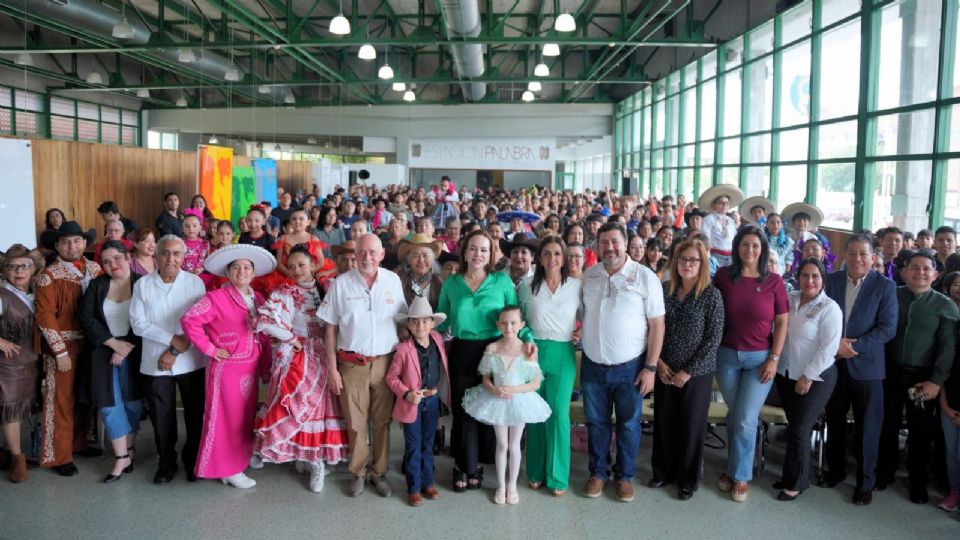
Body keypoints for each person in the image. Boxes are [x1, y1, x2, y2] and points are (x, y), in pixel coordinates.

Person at [436, 230, 535, 493]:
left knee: (492, 408)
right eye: (473, 248)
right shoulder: (451, 283)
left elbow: (514, 317)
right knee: (464, 409)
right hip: (463, 351)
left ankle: (482, 461)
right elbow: (443, 320)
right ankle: (465, 465)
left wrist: (527, 338)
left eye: (484, 249)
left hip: (496, 350)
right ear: (464, 252)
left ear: (491, 254)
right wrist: (421, 331)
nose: (478, 254)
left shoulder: (501, 282)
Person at [580, 222, 665, 502]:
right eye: (603, 242)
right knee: (596, 423)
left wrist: (650, 367)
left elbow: (657, 325)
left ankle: (625, 476)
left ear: (626, 243)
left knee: (629, 424)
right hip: (592, 365)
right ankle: (598, 472)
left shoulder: (644, 277)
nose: (610, 248)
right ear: (596, 246)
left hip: (630, 367)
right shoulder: (589, 276)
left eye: (614, 241)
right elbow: (581, 314)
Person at [254, 244, 349, 493]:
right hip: (301, 357)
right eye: (292, 266)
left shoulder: (326, 286)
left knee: (321, 408)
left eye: (302, 265)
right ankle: (312, 460)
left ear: (313, 265)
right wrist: (291, 338)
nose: (297, 270)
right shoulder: (286, 290)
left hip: (327, 353)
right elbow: (266, 321)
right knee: (301, 408)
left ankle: (312, 459)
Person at [180, 244, 276, 489]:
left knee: (245, 417)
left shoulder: (258, 299)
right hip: (226, 369)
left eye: (246, 267)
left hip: (250, 367)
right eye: (236, 268)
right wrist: (210, 349)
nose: (242, 271)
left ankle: (241, 457)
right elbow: (189, 320)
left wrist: (266, 367)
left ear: (253, 273)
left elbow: (264, 336)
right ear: (228, 273)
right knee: (226, 419)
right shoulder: (216, 297)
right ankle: (227, 468)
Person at [319, 234, 407, 498]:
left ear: (382, 254)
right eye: (361, 252)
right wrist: (332, 369)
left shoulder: (392, 281)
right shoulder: (340, 284)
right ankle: (357, 471)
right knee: (356, 424)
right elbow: (330, 330)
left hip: (386, 364)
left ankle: (379, 472)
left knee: (381, 422)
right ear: (354, 255)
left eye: (372, 252)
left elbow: (403, 323)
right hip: (351, 365)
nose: (366, 257)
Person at [712, 226, 788, 502]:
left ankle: (740, 476)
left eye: (756, 245)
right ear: (737, 247)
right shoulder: (722, 277)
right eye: (745, 245)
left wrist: (774, 358)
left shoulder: (774, 282)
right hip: (727, 356)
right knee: (736, 414)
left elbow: (781, 322)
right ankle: (734, 469)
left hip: (760, 360)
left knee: (745, 418)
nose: (750, 250)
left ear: (763, 249)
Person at [820, 234, 897, 505]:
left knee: (868, 428)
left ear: (872, 257)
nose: (857, 259)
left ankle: (866, 482)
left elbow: (887, 328)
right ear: (845, 257)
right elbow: (821, 316)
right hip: (833, 365)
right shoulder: (831, 281)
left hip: (868, 369)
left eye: (863, 254)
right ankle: (836, 471)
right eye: (852, 253)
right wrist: (834, 345)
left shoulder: (885, 287)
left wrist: (854, 346)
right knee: (835, 422)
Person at [878, 250, 959, 503]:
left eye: (926, 269)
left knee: (919, 431)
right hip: (890, 372)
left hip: (922, 378)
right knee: (887, 425)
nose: (920, 272)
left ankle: (917, 481)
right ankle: (884, 472)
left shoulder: (944, 305)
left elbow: (948, 347)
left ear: (935, 275)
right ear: (904, 271)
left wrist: (936, 380)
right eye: (915, 267)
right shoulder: (892, 294)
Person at [130, 234, 208, 484]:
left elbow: (200, 321)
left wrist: (175, 349)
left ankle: (192, 459)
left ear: (184, 257)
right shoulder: (142, 284)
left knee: (195, 413)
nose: (171, 259)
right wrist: (171, 340)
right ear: (156, 255)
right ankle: (166, 462)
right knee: (161, 415)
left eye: (176, 254)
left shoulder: (195, 283)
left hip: (190, 360)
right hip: (154, 361)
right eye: (165, 253)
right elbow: (138, 324)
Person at [649, 239, 723, 501]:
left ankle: (687, 480)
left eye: (693, 260)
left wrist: (688, 371)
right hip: (664, 367)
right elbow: (652, 328)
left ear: (702, 264)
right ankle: (663, 472)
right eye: (682, 260)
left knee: (691, 427)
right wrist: (658, 362)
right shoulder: (664, 289)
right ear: (674, 262)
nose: (687, 264)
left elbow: (713, 340)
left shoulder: (711, 295)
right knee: (665, 421)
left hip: (697, 373)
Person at [35, 220, 104, 476]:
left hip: (94, 344)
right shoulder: (48, 276)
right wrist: (60, 351)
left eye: (77, 241)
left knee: (85, 396)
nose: (72, 246)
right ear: (57, 246)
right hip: (63, 347)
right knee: (61, 400)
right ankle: (59, 455)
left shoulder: (96, 269)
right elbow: (44, 316)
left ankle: (80, 442)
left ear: (85, 243)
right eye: (65, 242)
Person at [462, 306, 550, 505]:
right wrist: (494, 390)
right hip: (497, 401)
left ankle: (512, 485)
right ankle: (501, 486)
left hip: (520, 401)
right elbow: (485, 379)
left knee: (514, 444)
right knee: (501, 444)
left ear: (521, 325)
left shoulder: (527, 349)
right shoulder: (492, 348)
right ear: (498, 325)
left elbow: (535, 383)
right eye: (504, 323)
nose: (509, 327)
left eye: (513, 323)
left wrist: (515, 390)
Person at [774, 258, 842, 501]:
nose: (810, 281)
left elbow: (828, 349)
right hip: (786, 374)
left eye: (815, 276)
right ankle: (791, 475)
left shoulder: (830, 308)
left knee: (801, 430)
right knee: (795, 429)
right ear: (798, 276)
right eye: (805, 275)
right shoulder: (789, 298)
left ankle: (795, 483)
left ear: (823, 279)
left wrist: (808, 376)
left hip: (815, 377)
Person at [518, 235, 581, 496]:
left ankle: (557, 476)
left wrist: (582, 331)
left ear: (564, 257)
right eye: (546, 253)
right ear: (539, 257)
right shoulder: (526, 284)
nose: (552, 259)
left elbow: (591, 315)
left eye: (557, 253)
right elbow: (518, 320)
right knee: (535, 412)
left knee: (558, 413)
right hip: (533, 352)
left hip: (563, 352)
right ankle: (535, 471)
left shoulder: (576, 286)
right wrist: (527, 339)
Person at [80, 241, 142, 483]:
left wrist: (126, 347)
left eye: (116, 258)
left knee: (133, 403)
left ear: (127, 257)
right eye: (106, 261)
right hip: (103, 350)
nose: (112, 264)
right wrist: (112, 343)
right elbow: (86, 318)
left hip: (134, 350)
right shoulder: (97, 285)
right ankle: (121, 456)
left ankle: (130, 450)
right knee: (107, 404)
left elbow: (151, 318)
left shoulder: (143, 283)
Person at [386, 296, 450, 507]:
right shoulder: (404, 349)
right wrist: (406, 394)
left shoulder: (438, 340)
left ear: (432, 323)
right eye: (415, 321)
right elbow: (391, 378)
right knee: (413, 446)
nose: (420, 325)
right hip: (412, 402)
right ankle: (413, 488)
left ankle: (427, 482)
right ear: (409, 325)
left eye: (425, 321)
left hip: (431, 401)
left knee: (428, 444)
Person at [0, 245, 43, 482]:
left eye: (24, 266)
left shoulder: (35, 291)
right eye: (12, 266)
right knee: (11, 411)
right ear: (4, 270)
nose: (19, 271)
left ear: (33, 268)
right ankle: (18, 459)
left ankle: (9, 452)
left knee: (19, 408)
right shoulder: (2, 294)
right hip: (7, 366)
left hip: (29, 362)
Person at [939, 271, 960, 511]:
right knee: (951, 452)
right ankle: (954, 491)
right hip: (949, 403)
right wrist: (945, 406)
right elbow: (942, 373)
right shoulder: (951, 339)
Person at [699, 185, 743, 267]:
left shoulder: (730, 220)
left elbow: (734, 238)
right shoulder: (708, 219)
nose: (724, 205)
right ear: (713, 205)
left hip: (731, 256)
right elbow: (705, 239)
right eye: (720, 203)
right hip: (715, 255)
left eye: (726, 203)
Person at [397, 234, 444, 308]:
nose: (421, 260)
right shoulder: (400, 280)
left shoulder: (439, 282)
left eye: (425, 255)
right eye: (415, 255)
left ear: (432, 260)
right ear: (409, 260)